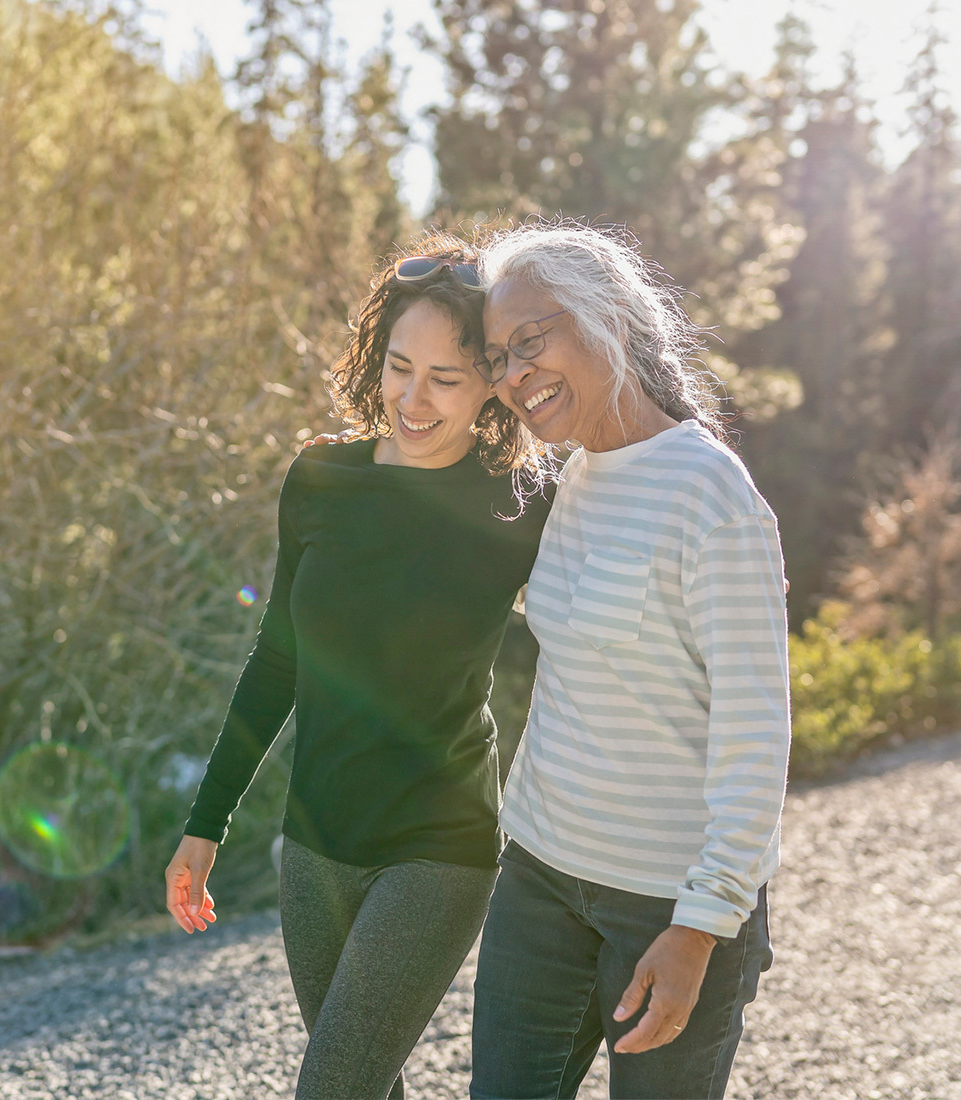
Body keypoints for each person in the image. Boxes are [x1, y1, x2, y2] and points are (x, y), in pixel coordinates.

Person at [164, 233, 552, 1100]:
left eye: (446, 379)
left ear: (493, 382)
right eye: (399, 366)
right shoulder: (319, 479)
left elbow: (608, 619)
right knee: (368, 1086)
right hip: (313, 847)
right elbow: (277, 661)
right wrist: (206, 823)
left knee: (332, 1088)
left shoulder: (518, 509)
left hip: (439, 847)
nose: (413, 398)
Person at [467, 222, 790, 1100]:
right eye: (498, 356)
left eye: (531, 340)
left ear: (607, 315)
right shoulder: (565, 478)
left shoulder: (710, 493)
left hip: (667, 905)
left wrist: (703, 926)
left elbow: (756, 732)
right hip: (538, 876)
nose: (513, 373)